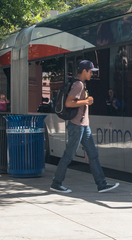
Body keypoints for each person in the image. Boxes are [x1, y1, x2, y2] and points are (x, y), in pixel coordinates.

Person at [50, 60, 119, 194]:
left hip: (83, 126)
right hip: (77, 126)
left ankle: (101, 184)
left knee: (93, 154)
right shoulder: (78, 85)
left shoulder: (81, 84)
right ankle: (56, 183)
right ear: (84, 71)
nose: (91, 74)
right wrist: (86, 101)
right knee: (69, 155)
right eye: (90, 72)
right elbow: (69, 103)